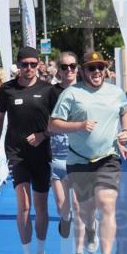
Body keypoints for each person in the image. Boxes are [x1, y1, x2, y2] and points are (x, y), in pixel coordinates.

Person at [49, 50, 127, 254]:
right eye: (91, 68)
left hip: (108, 157)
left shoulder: (115, 92)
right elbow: (54, 124)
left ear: (105, 70)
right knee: (85, 210)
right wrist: (79, 126)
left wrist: (125, 131)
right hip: (78, 160)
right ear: (83, 71)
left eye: (100, 68)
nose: (96, 72)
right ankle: (89, 227)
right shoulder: (71, 94)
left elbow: (126, 112)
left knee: (107, 204)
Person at [0, 45, 63, 254]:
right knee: (24, 205)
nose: (29, 68)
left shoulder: (49, 90)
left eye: (33, 64)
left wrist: (44, 134)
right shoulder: (7, 89)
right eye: (25, 65)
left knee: (41, 207)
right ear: (18, 66)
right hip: (16, 153)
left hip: (41, 153)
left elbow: (58, 121)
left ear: (39, 64)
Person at [49, 52, 81, 241]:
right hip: (56, 152)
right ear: (58, 71)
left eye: (72, 66)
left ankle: (81, 248)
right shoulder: (50, 92)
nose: (69, 70)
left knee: (78, 204)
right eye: (64, 67)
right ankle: (65, 219)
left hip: (81, 153)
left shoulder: (87, 91)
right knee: (63, 205)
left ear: (77, 68)